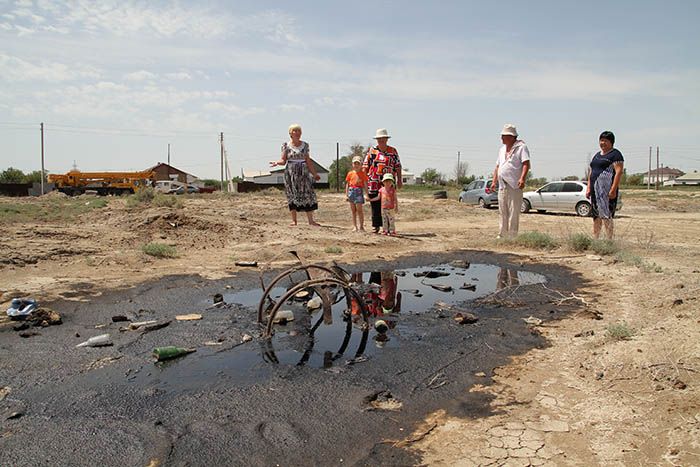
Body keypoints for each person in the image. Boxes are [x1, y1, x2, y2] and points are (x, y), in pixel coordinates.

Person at [270, 124, 321, 226]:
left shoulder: (305, 145)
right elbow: (283, 160)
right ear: (290, 133)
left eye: (299, 131)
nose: (297, 133)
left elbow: (308, 160)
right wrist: (277, 163)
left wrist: (314, 174)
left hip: (304, 173)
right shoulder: (286, 146)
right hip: (291, 173)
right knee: (292, 194)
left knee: (307, 193)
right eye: (295, 131)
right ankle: (294, 220)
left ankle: (311, 220)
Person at [492, 124, 531, 239]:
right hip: (502, 185)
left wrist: (522, 178)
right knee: (503, 211)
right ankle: (502, 234)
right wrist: (494, 181)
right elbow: (497, 166)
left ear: (511, 136)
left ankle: (512, 236)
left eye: (503, 136)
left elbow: (526, 164)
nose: (501, 138)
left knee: (513, 212)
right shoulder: (502, 150)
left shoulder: (521, 147)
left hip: (514, 184)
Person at [363, 128, 402, 233]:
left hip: (388, 182)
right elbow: (365, 166)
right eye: (379, 139)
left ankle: (389, 227)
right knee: (375, 204)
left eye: (383, 139)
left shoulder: (393, 151)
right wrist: (363, 179)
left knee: (389, 204)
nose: (381, 141)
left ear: (386, 139)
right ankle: (376, 226)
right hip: (374, 182)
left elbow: (398, 166)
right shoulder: (372, 151)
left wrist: (399, 180)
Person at [586, 131, 624, 239]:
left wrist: (613, 189)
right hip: (595, 191)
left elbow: (619, 172)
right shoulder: (597, 156)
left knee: (607, 216)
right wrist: (588, 187)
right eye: (601, 140)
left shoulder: (615, 154)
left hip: (607, 191)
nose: (602, 143)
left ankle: (609, 240)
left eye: (605, 141)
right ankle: (596, 238)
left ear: (611, 142)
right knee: (596, 215)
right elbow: (591, 172)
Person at [345, 155, 369, 231]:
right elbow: (347, 184)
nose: (356, 165)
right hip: (351, 191)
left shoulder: (363, 173)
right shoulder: (350, 173)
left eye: (358, 163)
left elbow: (365, 184)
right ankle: (354, 226)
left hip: (359, 191)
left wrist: (367, 194)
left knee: (359, 210)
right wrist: (346, 195)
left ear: (361, 164)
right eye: (355, 163)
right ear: (352, 164)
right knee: (353, 210)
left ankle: (361, 226)